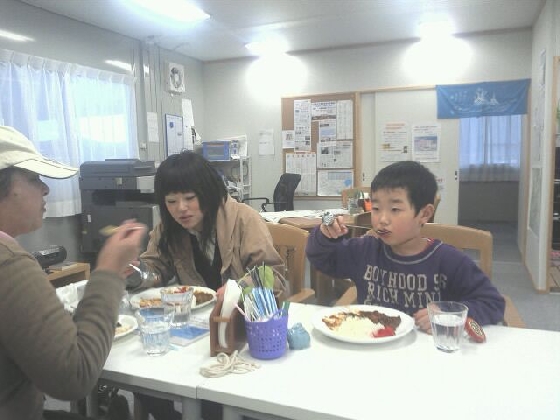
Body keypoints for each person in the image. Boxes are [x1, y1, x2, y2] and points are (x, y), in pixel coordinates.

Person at [0, 126, 147, 419]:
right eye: (34, 178)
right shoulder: (9, 262)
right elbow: (74, 375)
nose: (45, 189)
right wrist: (109, 270)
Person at [132, 150, 284, 420]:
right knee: (144, 379)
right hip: (194, 331)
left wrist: (238, 288)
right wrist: (134, 272)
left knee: (215, 400)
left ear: (208, 192)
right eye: (171, 201)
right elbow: (155, 270)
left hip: (241, 332)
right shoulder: (168, 229)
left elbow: (273, 275)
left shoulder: (244, 220)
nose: (181, 208)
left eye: (190, 198)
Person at [306, 160, 505, 332]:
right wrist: (325, 235)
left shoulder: (448, 260)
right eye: (376, 208)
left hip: (427, 350)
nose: (382, 219)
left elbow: (492, 303)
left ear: (424, 214)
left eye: (395, 209)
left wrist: (448, 314)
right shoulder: (365, 250)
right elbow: (321, 258)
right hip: (373, 345)